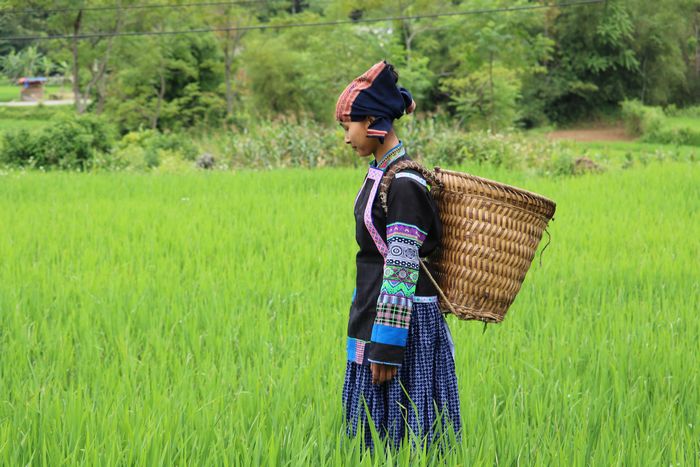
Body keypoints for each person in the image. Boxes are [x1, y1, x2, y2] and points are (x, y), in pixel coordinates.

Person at [336, 60, 462, 452]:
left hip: (402, 326)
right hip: (374, 315)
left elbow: (403, 266)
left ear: (373, 121)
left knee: (406, 436)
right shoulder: (382, 173)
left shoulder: (405, 183)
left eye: (349, 127)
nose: (346, 138)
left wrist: (387, 347)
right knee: (374, 435)